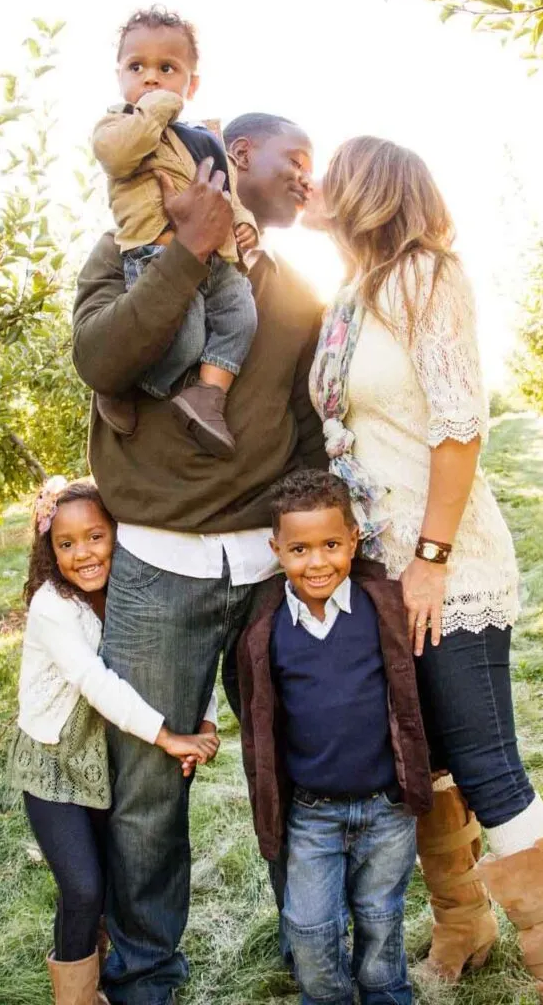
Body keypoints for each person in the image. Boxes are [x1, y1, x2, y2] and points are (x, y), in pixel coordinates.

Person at [307, 136, 543, 1005]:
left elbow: (458, 427)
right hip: (382, 571)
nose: (318, 185)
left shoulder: (425, 277)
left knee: (485, 764)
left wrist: (431, 561)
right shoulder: (350, 298)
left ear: (369, 190)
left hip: (446, 565)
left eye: (333, 175)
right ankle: (463, 928)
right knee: (429, 761)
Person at [73, 110, 323, 1003]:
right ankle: (145, 980)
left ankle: (316, 956)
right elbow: (102, 359)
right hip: (155, 571)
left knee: (297, 769)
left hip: (267, 576)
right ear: (236, 159)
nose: (307, 175)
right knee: (146, 793)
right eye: (295, 158)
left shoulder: (294, 293)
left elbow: (305, 432)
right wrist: (186, 252)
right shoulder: (124, 253)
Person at [6, 477, 219, 1005]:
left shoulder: (129, 594)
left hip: (107, 757)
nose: (84, 554)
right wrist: (167, 736)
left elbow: (183, 651)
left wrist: (206, 720)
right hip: (54, 765)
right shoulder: (52, 607)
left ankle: (114, 975)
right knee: (82, 888)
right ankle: (76, 999)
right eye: (66, 543)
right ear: (49, 551)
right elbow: (94, 682)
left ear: (118, 534)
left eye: (96, 536)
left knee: (109, 883)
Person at [237, 470, 432, 1005]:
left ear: (353, 539)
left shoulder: (382, 608)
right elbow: (258, 721)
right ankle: (325, 997)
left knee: (380, 916)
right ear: (277, 550)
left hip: (386, 809)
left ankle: (386, 992)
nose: (316, 561)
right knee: (309, 924)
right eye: (299, 549)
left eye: (330, 545)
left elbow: (413, 698)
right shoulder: (267, 629)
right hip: (313, 812)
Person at [92, 7, 259, 459]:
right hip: (156, 254)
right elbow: (119, 156)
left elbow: (228, 190)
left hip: (216, 257)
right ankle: (123, 383)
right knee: (185, 338)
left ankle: (208, 395)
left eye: (167, 69)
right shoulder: (117, 126)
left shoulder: (204, 139)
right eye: (137, 67)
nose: (150, 78)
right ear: (120, 76)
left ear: (193, 83)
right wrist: (155, 107)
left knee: (242, 316)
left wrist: (243, 224)